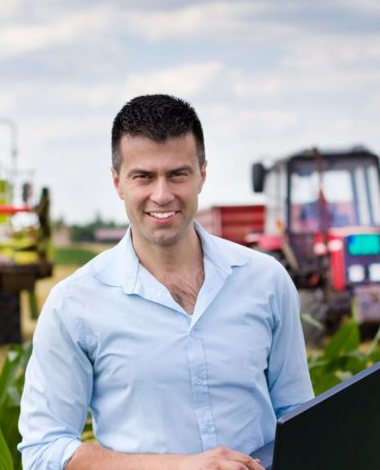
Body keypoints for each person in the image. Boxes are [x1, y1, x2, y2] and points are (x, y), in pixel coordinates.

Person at [18, 94, 313, 470]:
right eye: (143, 176)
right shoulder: (74, 305)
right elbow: (44, 451)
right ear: (117, 182)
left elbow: (298, 417)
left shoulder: (267, 281)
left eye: (178, 174)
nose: (162, 194)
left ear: (202, 174)